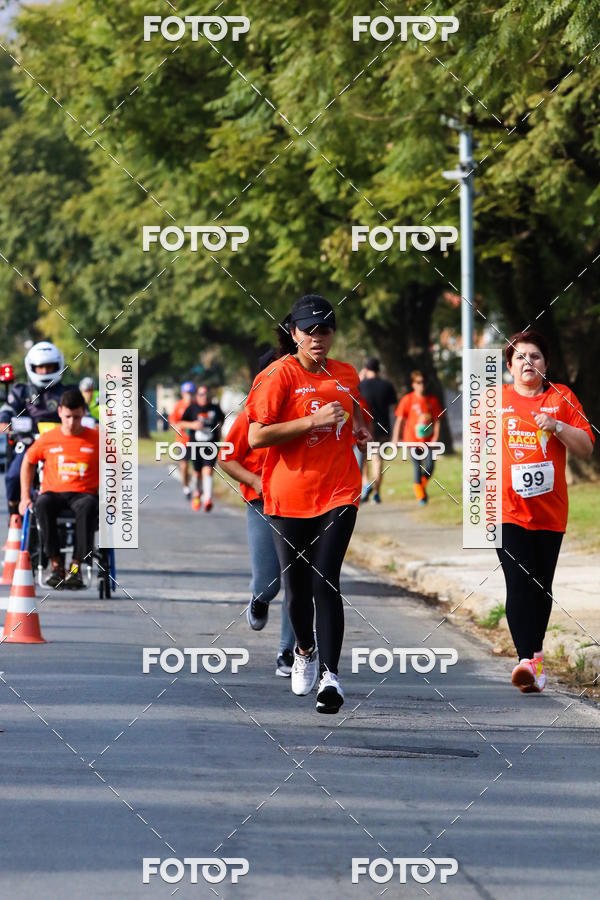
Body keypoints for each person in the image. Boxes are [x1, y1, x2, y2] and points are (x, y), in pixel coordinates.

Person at [245, 294, 370, 714]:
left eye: (326, 330)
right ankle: (303, 650)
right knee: (296, 589)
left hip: (339, 492)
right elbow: (257, 437)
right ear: (294, 333)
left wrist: (361, 431)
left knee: (325, 581)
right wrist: (312, 422)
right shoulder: (277, 376)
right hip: (287, 497)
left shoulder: (346, 374)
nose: (318, 338)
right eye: (309, 331)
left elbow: (356, 418)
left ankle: (331, 678)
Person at [498, 330, 594, 693]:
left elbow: (585, 447)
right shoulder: (495, 400)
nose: (528, 363)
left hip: (550, 511)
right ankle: (525, 660)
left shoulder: (562, 397)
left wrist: (557, 426)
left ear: (546, 363)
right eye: (520, 357)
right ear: (509, 366)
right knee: (519, 582)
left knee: (541, 586)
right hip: (506, 509)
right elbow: (477, 453)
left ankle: (535, 660)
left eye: (535, 356)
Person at [218, 391, 296, 677]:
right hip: (262, 504)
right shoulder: (249, 416)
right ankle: (259, 599)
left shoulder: (307, 415)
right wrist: (253, 480)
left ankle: (289, 651)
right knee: (268, 583)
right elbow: (225, 458)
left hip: (302, 506)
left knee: (298, 581)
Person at [19, 388, 100, 590]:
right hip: (54, 493)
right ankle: (56, 566)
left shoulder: (98, 439)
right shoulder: (48, 439)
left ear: (83, 412)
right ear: (60, 412)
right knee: (42, 504)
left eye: (76, 417)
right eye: (67, 417)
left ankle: (75, 569)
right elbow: (28, 463)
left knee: (88, 506)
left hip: (83, 494)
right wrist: (24, 496)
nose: (71, 423)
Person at [0, 341, 70, 518]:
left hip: (61, 447)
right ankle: (15, 514)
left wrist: (93, 423)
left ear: (58, 366)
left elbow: (81, 414)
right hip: (28, 444)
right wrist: (4, 422)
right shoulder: (20, 391)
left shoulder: (68, 393)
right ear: (32, 367)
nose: (45, 371)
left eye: (49, 367)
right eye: (40, 367)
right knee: (14, 476)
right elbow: (8, 410)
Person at [392, 370, 443, 505]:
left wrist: (435, 437)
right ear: (413, 384)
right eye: (418, 382)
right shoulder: (407, 399)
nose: (422, 385)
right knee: (417, 467)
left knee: (430, 467)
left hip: (428, 442)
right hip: (412, 441)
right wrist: (395, 439)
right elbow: (399, 420)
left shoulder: (432, 400)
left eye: (423, 382)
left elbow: (437, 420)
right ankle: (421, 497)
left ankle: (420, 485)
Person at [175, 385, 225, 512]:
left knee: (208, 470)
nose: (204, 397)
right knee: (197, 473)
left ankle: (208, 499)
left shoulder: (215, 408)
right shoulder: (192, 408)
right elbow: (180, 423)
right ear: (197, 396)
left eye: (206, 394)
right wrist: (192, 425)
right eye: (201, 394)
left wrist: (218, 430)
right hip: (195, 445)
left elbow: (221, 419)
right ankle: (197, 493)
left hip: (210, 445)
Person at [358, 357, 397, 503]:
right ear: (379, 369)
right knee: (378, 460)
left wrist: (361, 377)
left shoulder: (361, 385)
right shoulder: (387, 385)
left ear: (366, 369)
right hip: (383, 428)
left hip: (364, 427)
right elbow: (394, 409)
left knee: (363, 460)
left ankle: (366, 482)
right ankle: (377, 492)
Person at [169, 382, 195, 500]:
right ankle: (186, 487)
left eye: (190, 393)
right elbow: (173, 422)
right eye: (186, 393)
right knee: (184, 466)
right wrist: (178, 426)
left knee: (196, 468)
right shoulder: (178, 406)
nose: (188, 395)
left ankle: (197, 487)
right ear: (182, 394)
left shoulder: (197, 406)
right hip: (182, 441)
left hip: (196, 442)